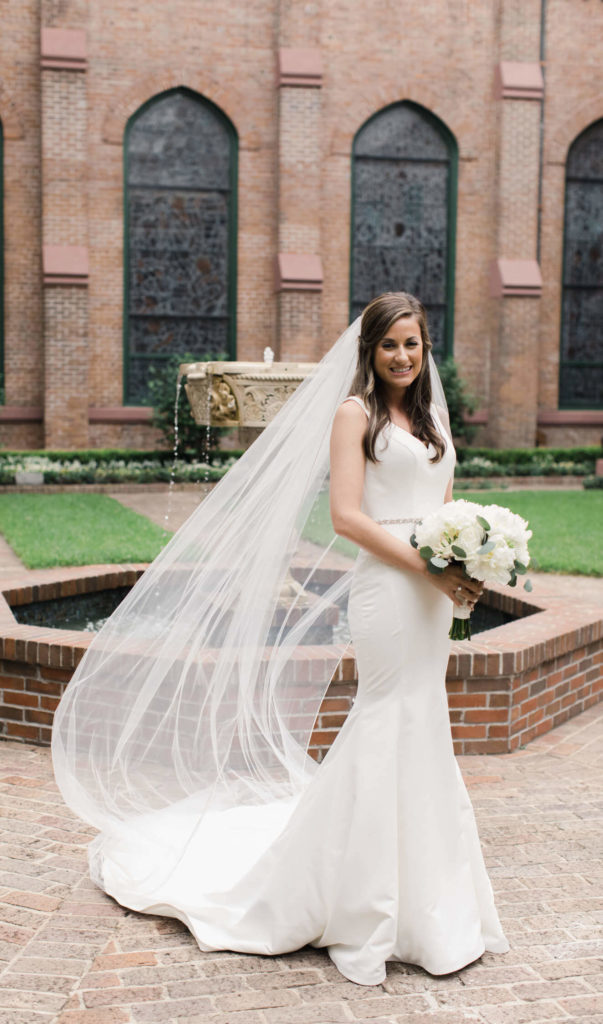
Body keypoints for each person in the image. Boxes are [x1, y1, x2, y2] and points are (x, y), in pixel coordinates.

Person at [52, 292, 509, 987]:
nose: (401, 356)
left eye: (412, 344)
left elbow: (442, 508)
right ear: (369, 350)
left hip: (430, 595)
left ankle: (433, 902)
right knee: (388, 718)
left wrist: (464, 568)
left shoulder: (433, 422)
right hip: (388, 592)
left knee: (425, 724)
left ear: (424, 349)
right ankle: (360, 903)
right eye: (389, 344)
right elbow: (348, 517)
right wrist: (429, 571)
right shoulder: (352, 415)